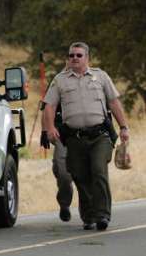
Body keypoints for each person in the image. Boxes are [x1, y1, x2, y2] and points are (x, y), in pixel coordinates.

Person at [43, 42, 130, 231]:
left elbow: (114, 102)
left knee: (98, 170)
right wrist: (50, 128)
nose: (74, 58)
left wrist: (123, 127)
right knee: (80, 176)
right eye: (71, 55)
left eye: (79, 55)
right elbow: (49, 106)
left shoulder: (101, 76)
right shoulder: (60, 80)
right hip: (74, 138)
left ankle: (103, 215)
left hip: (100, 135)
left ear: (87, 58)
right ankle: (89, 216)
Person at [40, 99, 75, 222]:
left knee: (89, 174)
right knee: (63, 173)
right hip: (62, 134)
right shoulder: (58, 82)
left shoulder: (95, 80)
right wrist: (45, 131)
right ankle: (64, 203)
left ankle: (91, 213)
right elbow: (46, 108)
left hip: (89, 132)